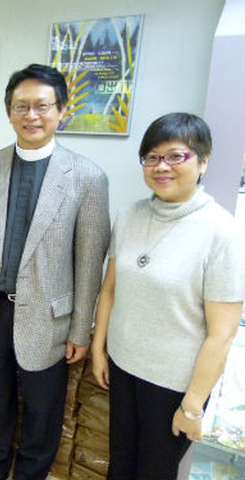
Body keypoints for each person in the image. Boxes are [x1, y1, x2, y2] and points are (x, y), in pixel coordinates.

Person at [0, 63, 110, 480]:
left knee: (42, 408)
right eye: (21, 106)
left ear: (62, 111)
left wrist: (80, 329)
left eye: (42, 106)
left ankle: (30, 473)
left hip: (49, 316)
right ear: (9, 112)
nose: (31, 115)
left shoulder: (88, 178)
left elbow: (89, 263)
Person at [91, 112, 245, 479]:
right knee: (120, 465)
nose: (162, 167)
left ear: (203, 160)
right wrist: (99, 349)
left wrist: (192, 406)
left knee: (154, 472)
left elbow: (221, 334)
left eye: (176, 156)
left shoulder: (222, 233)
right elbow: (110, 287)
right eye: (152, 157)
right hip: (123, 367)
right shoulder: (130, 216)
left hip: (174, 384)